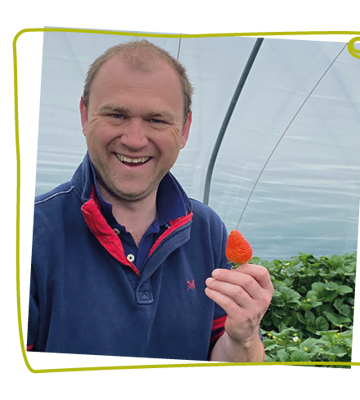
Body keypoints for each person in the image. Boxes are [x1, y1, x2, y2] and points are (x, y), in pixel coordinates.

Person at [26, 39, 274, 367]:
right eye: (116, 115)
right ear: (85, 115)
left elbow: (226, 367)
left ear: (184, 129)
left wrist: (242, 337)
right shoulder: (32, 233)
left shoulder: (207, 229)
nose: (134, 139)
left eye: (157, 120)